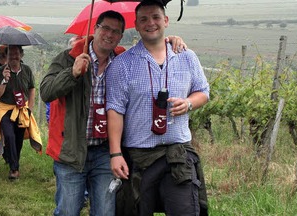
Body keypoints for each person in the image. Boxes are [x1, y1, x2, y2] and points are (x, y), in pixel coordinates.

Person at [41, 10, 187, 215]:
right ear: (95, 28)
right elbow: (46, 92)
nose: (109, 35)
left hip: (104, 150)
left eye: (116, 31)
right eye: (105, 28)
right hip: (71, 149)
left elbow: (150, 49)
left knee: (105, 211)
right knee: (68, 210)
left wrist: (169, 40)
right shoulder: (67, 58)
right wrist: (72, 73)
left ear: (120, 36)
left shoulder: (122, 60)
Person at [106, 1, 210, 215]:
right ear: (135, 25)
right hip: (140, 157)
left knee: (184, 211)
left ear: (166, 21)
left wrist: (189, 103)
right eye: (143, 19)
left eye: (155, 17)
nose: (150, 23)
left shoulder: (187, 57)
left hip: (177, 154)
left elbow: (203, 92)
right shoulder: (122, 64)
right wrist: (115, 153)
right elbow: (115, 110)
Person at [0, 45, 42, 180]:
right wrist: (4, 81)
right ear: (6, 57)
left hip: (22, 109)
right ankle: (14, 169)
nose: (13, 57)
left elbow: (31, 88)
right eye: (10, 54)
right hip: (6, 109)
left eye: (16, 54)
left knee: (18, 138)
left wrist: (30, 108)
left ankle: (14, 162)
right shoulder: (1, 71)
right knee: (9, 136)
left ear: (21, 55)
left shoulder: (27, 70)